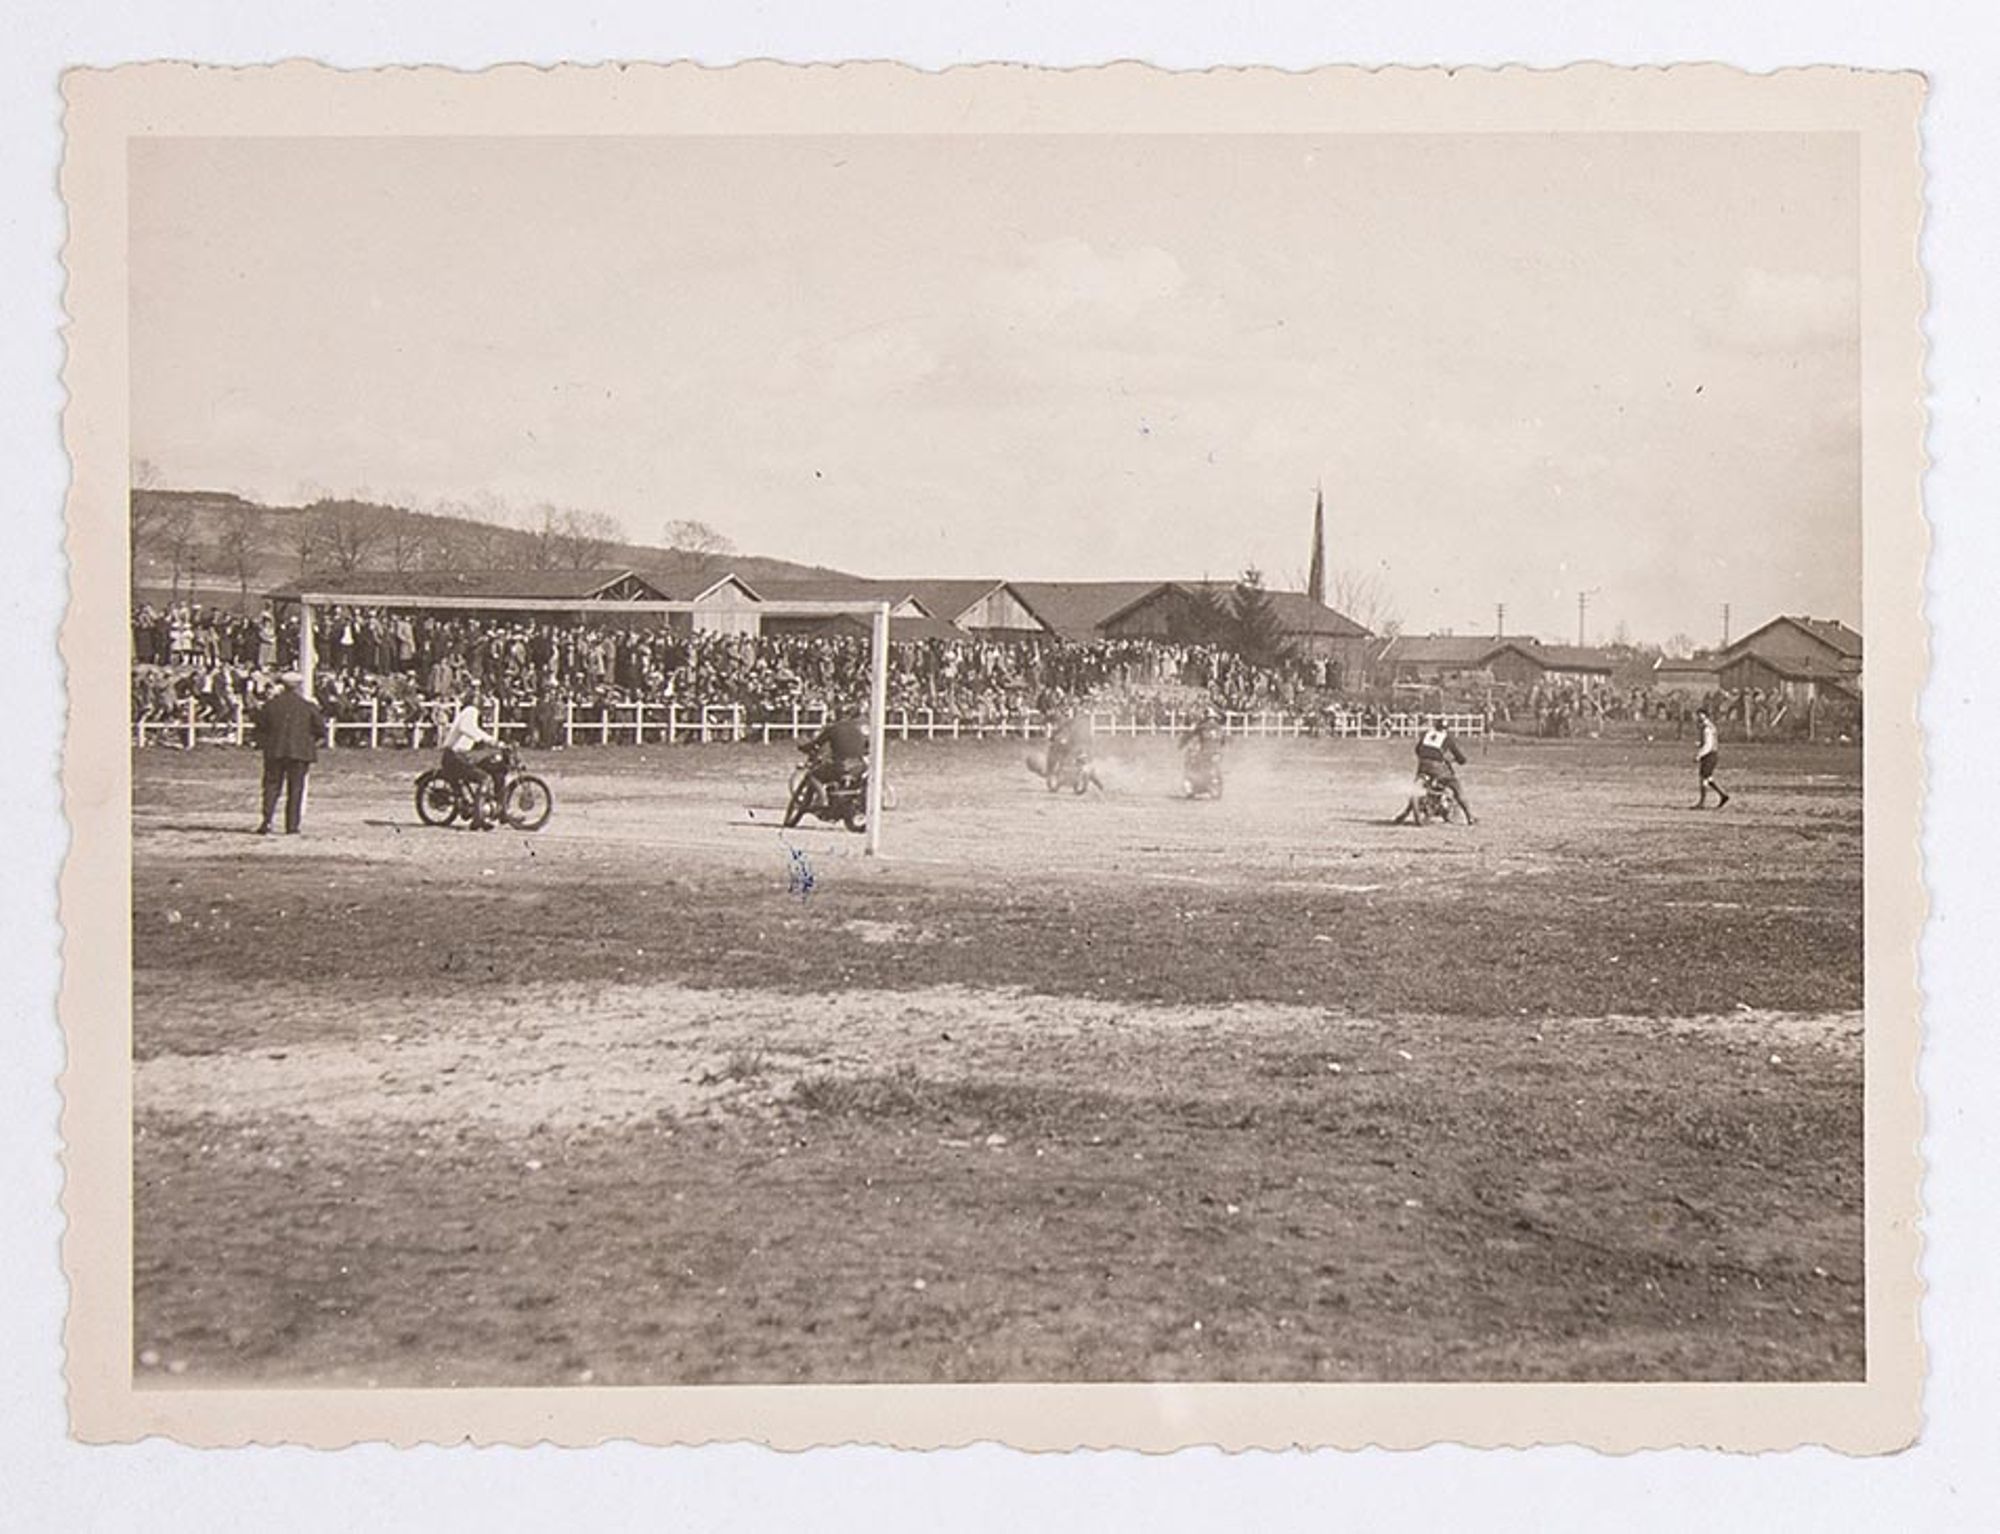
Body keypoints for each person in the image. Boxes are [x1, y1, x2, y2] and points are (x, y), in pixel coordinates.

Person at [253, 671, 325, 835]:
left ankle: (267, 821)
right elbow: (320, 730)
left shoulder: (270, 706)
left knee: (271, 787)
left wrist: (266, 744)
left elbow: (260, 728)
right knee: (296, 789)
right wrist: (310, 744)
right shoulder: (308, 707)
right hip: (299, 753)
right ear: (299, 686)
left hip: (275, 751)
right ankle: (292, 826)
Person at [439, 686, 510, 828]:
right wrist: (485, 739)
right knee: (484, 778)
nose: (482, 701)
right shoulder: (470, 711)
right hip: (454, 756)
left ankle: (502, 812)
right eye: (479, 698)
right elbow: (468, 729)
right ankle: (478, 818)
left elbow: (476, 732)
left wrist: (494, 742)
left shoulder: (472, 714)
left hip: (461, 756)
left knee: (497, 771)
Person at [1396, 716, 1474, 825]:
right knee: (1456, 786)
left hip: (1423, 765)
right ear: (1446, 728)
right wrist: (1460, 760)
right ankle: (1469, 816)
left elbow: (1417, 750)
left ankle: (1405, 813)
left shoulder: (1427, 734)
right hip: (1437, 767)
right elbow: (1460, 757)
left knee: (1416, 789)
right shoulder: (1447, 738)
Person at [1693, 708, 1731, 808]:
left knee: (1703, 779)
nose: (1698, 717)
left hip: (1709, 755)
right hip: (1711, 754)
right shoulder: (1709, 726)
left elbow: (1708, 745)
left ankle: (1702, 802)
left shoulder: (1707, 728)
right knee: (1708, 778)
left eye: (1700, 715)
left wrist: (1699, 755)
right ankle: (1723, 795)